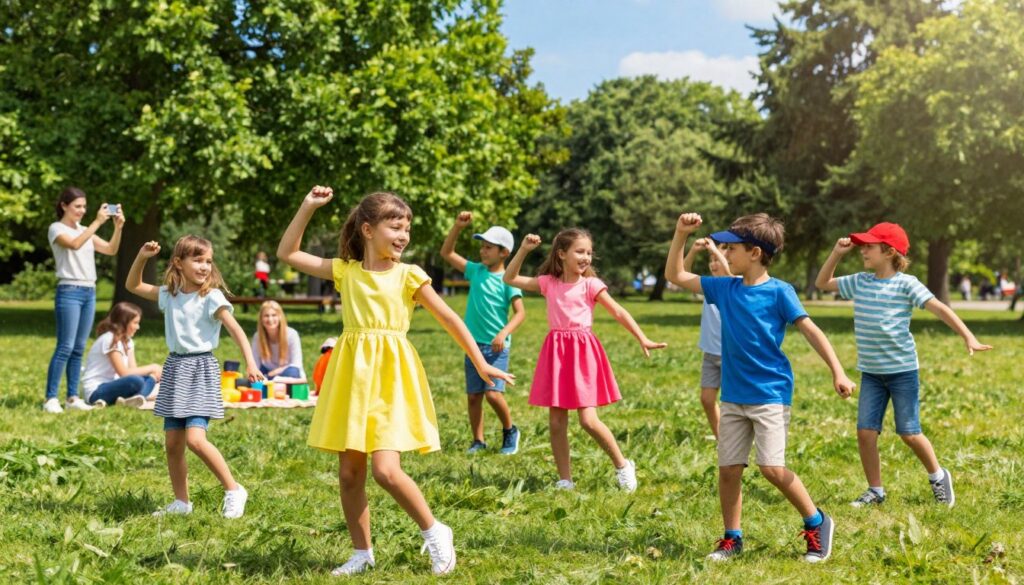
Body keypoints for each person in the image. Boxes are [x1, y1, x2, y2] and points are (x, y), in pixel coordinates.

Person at [276, 186, 515, 576]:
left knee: (386, 471)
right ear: (367, 230)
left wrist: (481, 363)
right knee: (350, 472)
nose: (404, 235)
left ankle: (436, 532)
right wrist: (307, 207)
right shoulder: (345, 271)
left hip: (389, 377)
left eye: (408, 228)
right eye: (395, 226)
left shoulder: (409, 275)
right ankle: (361, 553)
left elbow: (450, 319)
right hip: (351, 377)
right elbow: (287, 254)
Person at [666, 212, 855, 563]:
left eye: (731, 248)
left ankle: (817, 520)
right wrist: (680, 234)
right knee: (728, 469)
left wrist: (838, 371)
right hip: (734, 396)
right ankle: (732, 538)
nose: (725, 253)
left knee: (772, 468)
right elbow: (675, 275)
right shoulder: (724, 288)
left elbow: (811, 330)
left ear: (754, 253)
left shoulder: (780, 292)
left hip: (770, 393)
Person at [816, 223, 992, 509]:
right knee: (865, 432)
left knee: (909, 432)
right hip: (871, 373)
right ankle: (875, 490)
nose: (863, 250)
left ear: (888, 251)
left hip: (902, 372)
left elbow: (940, 308)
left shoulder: (907, 284)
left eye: (869, 246)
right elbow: (823, 283)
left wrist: (967, 336)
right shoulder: (860, 281)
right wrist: (836, 253)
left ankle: (938, 476)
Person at [504, 228, 666, 492]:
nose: (586, 257)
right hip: (556, 353)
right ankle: (565, 479)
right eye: (580, 251)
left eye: (589, 252)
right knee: (556, 422)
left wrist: (642, 337)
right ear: (562, 254)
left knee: (588, 420)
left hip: (582, 353)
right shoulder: (548, 283)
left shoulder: (591, 285)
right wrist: (523, 250)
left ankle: (623, 465)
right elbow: (510, 278)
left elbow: (618, 311)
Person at [126, 235, 263, 519]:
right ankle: (181, 502)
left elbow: (236, 330)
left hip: (201, 369)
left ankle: (234, 489)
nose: (204, 266)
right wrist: (141, 256)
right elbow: (132, 285)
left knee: (196, 440)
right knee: (173, 443)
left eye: (208, 261)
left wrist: (250, 361)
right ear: (179, 262)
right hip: (175, 368)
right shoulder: (170, 294)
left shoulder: (211, 297)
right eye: (197, 260)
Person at [440, 211, 526, 455]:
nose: (483, 251)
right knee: (474, 396)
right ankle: (478, 441)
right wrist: (457, 227)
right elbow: (446, 253)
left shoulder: (509, 280)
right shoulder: (475, 271)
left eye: (489, 247)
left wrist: (503, 333)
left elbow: (520, 313)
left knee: (493, 394)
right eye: (483, 246)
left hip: (497, 347)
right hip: (473, 345)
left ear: (504, 253)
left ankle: (510, 430)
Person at [44, 187, 124, 413]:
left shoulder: (84, 229)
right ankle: (50, 398)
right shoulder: (56, 229)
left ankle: (72, 397)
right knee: (65, 346)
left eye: (84, 207)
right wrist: (97, 222)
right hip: (69, 290)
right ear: (64, 206)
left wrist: (118, 228)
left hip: (89, 290)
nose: (82, 211)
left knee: (79, 347)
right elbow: (75, 244)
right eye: (77, 206)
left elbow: (110, 249)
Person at [682, 237, 733, 438]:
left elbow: (730, 273)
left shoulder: (736, 284)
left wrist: (717, 250)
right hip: (711, 353)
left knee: (732, 403)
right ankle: (722, 439)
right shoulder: (708, 286)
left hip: (732, 355)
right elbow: (682, 274)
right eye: (710, 259)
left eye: (717, 259)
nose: (713, 263)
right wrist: (693, 251)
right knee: (707, 399)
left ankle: (736, 439)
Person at [81, 302, 162, 408]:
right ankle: (138, 397)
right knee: (136, 381)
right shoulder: (109, 339)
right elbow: (124, 373)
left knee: (148, 378)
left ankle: (133, 400)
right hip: (97, 391)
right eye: (135, 323)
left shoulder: (128, 342)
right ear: (124, 322)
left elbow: (134, 370)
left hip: (116, 386)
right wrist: (153, 367)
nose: (138, 327)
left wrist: (154, 374)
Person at [250, 300, 306, 380]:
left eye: (274, 315)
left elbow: (296, 363)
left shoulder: (292, 334)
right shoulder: (257, 336)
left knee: (292, 372)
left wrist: (276, 373)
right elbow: (255, 364)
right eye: (266, 316)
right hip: (267, 371)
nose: (270, 319)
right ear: (261, 319)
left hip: (288, 371)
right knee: (254, 376)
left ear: (280, 317)